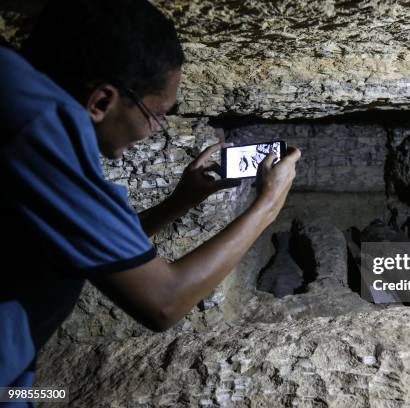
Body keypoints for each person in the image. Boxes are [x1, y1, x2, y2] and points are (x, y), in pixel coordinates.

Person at [0, 0, 301, 399]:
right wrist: (268, 205)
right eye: (157, 115)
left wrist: (178, 203)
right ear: (102, 101)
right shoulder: (41, 131)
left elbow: (93, 245)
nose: (154, 130)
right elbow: (163, 303)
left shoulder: (15, 87)